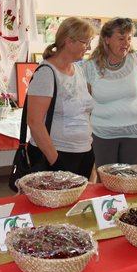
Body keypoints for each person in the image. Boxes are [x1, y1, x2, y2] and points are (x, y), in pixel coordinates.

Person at [83, 17, 137, 167]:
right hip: (102, 135)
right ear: (106, 39)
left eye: (129, 38)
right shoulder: (90, 66)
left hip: (136, 133)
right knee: (106, 181)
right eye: (121, 38)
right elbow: (85, 105)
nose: (126, 43)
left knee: (132, 180)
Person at [25, 17, 96, 179]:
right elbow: (34, 122)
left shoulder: (78, 70)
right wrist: (55, 162)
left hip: (82, 152)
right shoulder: (46, 73)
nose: (89, 48)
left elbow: (84, 113)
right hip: (58, 156)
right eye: (86, 42)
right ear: (69, 41)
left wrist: (90, 158)